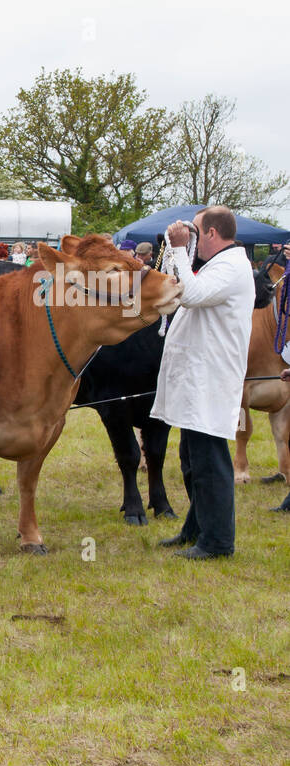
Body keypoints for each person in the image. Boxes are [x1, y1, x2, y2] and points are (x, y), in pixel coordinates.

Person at [153, 206, 254, 559]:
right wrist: (177, 251)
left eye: (195, 232)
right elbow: (180, 288)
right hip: (198, 379)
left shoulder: (231, 267)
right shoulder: (217, 265)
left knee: (210, 463)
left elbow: (192, 294)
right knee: (193, 459)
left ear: (212, 233)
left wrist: (180, 247)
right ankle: (197, 529)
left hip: (210, 379)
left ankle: (217, 542)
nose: (190, 237)